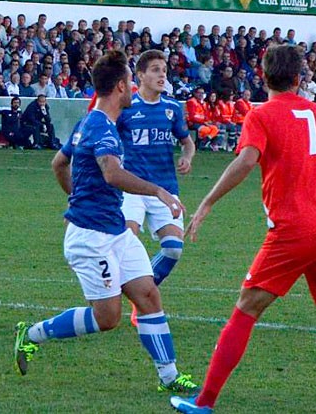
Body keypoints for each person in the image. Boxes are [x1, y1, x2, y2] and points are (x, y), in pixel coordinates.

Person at [170, 45, 316, 414]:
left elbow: (247, 160)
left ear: (262, 76)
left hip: (295, 232)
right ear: (300, 78)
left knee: (246, 309)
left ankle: (203, 404)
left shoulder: (261, 115)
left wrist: (208, 201)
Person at [13, 50, 200, 395]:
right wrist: (158, 191)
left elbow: (58, 163)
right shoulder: (103, 128)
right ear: (119, 87)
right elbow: (112, 174)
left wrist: (76, 197)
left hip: (114, 230)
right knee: (107, 318)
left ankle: (169, 376)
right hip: (91, 238)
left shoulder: (92, 122)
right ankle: (33, 333)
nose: (132, 88)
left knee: (147, 295)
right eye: (129, 81)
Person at [115, 49, 196, 325]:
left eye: (164, 70)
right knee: (126, 241)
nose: (162, 74)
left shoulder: (173, 109)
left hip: (165, 188)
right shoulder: (127, 109)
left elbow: (187, 141)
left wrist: (187, 156)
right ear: (140, 76)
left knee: (173, 248)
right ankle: (133, 297)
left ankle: (142, 295)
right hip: (133, 188)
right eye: (155, 70)